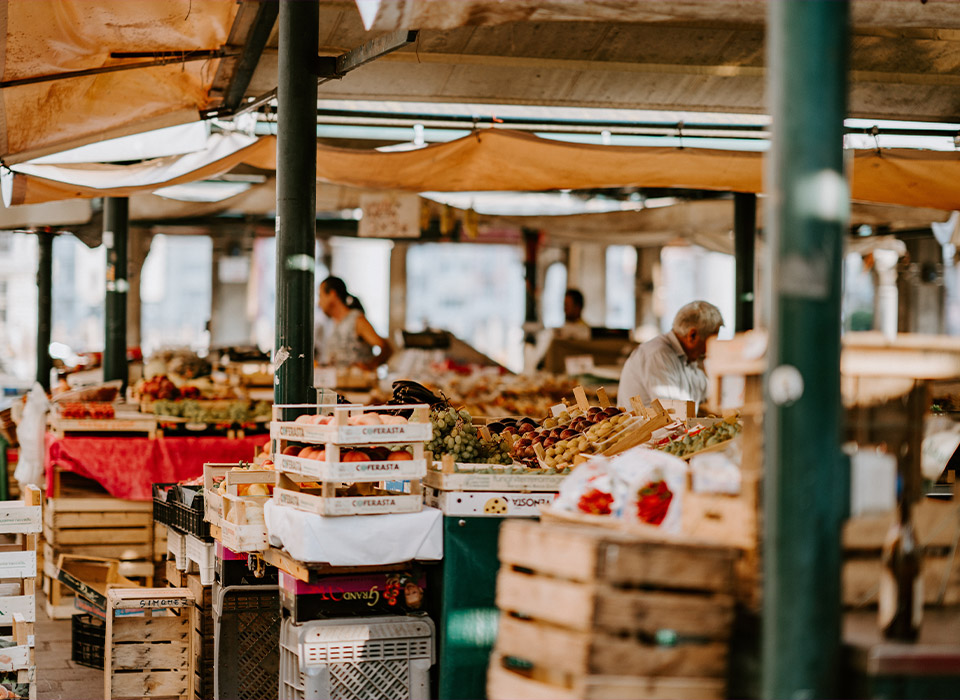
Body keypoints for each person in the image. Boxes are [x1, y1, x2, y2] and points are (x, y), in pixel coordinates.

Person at [617, 300, 724, 409]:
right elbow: (675, 413)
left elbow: (709, 390)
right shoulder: (658, 355)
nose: (711, 349)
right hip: (648, 426)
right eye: (711, 341)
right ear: (692, 335)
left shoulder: (686, 359)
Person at [316, 276, 393, 370]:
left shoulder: (357, 320)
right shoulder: (332, 324)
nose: (319, 303)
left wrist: (370, 365)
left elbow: (386, 348)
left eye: (320, 296)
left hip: (358, 383)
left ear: (332, 294)